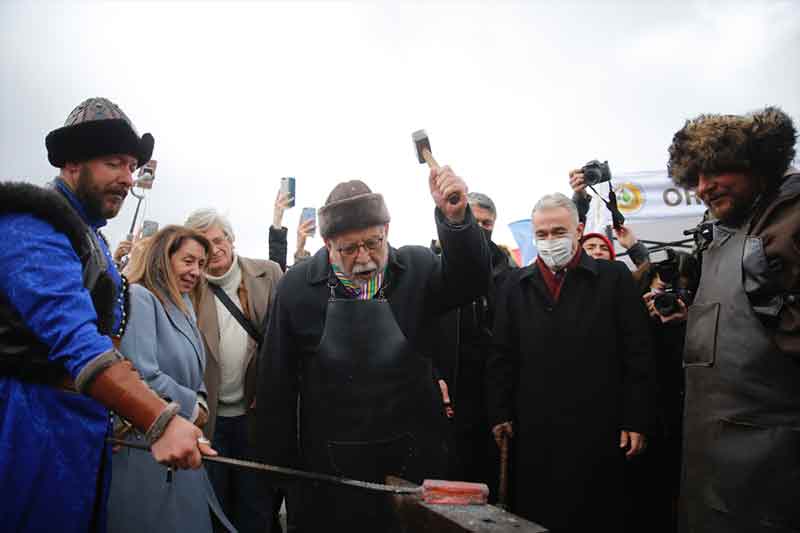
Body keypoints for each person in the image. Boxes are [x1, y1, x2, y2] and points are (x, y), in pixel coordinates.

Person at [0, 97, 210, 533]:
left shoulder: (85, 234)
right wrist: (160, 418)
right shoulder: (33, 224)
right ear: (73, 163)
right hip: (26, 432)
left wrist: (119, 411)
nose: (127, 179)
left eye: (132, 167)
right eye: (114, 163)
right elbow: (77, 340)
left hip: (74, 434)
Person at [255, 167, 490, 532]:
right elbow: (276, 385)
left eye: (372, 243)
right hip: (330, 471)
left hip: (414, 459)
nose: (363, 258)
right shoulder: (297, 288)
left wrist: (457, 218)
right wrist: (283, 473)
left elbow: (472, 281)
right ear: (328, 245)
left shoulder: (417, 268)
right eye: (348, 249)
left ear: (387, 233)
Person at [487, 192, 655, 533]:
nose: (550, 241)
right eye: (542, 234)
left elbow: (638, 353)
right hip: (535, 432)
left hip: (601, 430)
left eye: (559, 232)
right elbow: (500, 356)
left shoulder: (613, 278)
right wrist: (500, 412)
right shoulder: (514, 285)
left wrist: (636, 418)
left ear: (578, 230)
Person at [667, 106, 800, 533]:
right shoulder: (728, 231)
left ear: (757, 163)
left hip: (774, 479)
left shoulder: (787, 226)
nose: (703, 188)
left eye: (715, 171)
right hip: (715, 471)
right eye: (695, 178)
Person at [107, 226, 235, 533]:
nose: (196, 271)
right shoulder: (140, 297)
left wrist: (201, 401)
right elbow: (142, 373)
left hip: (182, 440)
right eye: (188, 261)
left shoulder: (185, 305)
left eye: (201, 265)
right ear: (164, 258)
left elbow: (196, 371)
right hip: (148, 447)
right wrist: (195, 408)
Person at [185, 207, 284, 533]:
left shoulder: (267, 274)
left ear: (231, 239)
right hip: (209, 421)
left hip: (255, 418)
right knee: (215, 508)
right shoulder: (187, 287)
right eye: (204, 243)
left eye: (218, 239)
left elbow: (285, 339)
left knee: (255, 509)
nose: (213, 249)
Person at [432, 191, 515, 499]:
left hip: (494, 396)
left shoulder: (510, 276)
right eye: (474, 221)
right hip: (452, 393)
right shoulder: (434, 270)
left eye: (487, 223)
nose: (480, 228)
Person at [569, 168, 651, 266]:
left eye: (604, 248)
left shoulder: (624, 279)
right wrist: (580, 195)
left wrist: (633, 245)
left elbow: (649, 276)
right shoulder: (571, 279)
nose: (598, 252)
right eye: (590, 247)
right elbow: (574, 229)